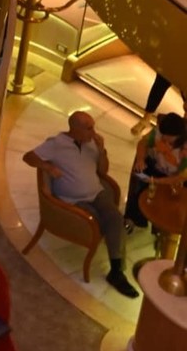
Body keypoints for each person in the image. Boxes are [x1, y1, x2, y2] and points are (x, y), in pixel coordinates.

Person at [23, 111, 139, 298]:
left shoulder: (92, 144)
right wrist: (48, 167)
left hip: (98, 193)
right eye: (89, 128)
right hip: (75, 200)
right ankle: (116, 234)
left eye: (93, 127)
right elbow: (28, 157)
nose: (94, 132)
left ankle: (116, 271)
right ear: (74, 129)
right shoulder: (57, 143)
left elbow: (103, 171)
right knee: (100, 223)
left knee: (115, 218)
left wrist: (102, 150)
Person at [125, 112, 187, 229]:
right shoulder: (159, 131)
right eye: (163, 138)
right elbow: (143, 143)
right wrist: (140, 160)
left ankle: (162, 227)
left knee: (170, 201)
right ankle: (134, 219)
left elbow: (181, 177)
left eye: (170, 141)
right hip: (156, 166)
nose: (165, 142)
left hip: (175, 177)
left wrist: (155, 181)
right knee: (138, 188)